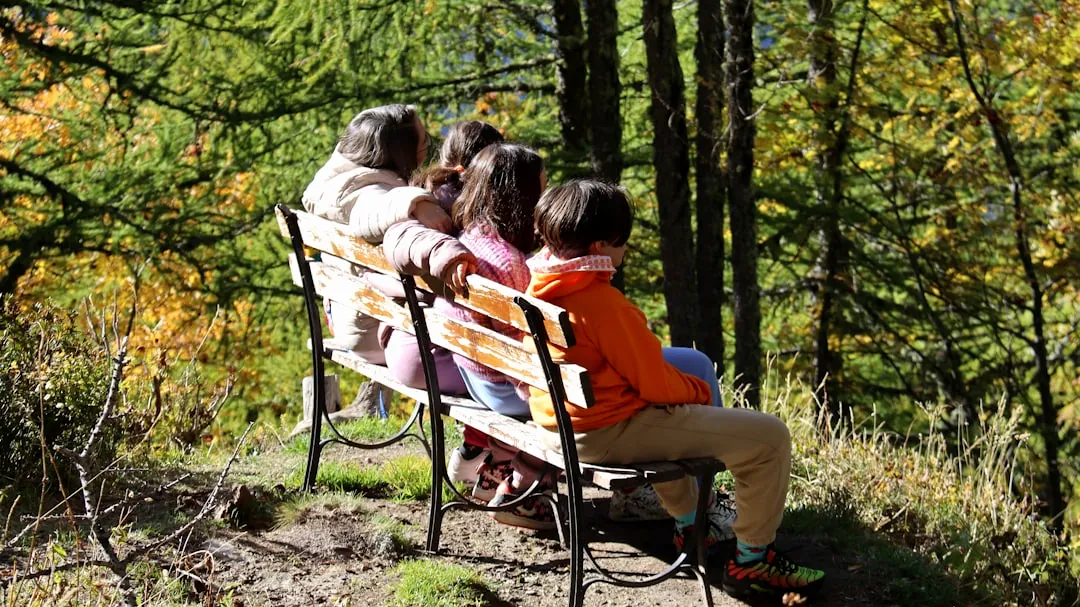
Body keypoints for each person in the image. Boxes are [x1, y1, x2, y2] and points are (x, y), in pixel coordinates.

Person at [527, 179, 826, 598]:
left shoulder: (538, 286)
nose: (623, 252)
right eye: (620, 242)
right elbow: (657, 385)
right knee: (770, 436)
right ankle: (754, 561)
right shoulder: (602, 305)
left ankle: (692, 525)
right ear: (599, 247)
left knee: (670, 421)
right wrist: (700, 392)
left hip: (561, 425)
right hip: (603, 433)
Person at [431, 143, 556, 530]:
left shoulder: (471, 239)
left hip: (477, 377)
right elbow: (529, 363)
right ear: (522, 197)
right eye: (542, 187)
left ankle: (495, 475)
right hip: (506, 390)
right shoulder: (509, 264)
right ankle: (524, 490)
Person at [381, 121, 505, 484]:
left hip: (400, 340)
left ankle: (475, 453)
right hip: (430, 355)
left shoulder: (417, 193)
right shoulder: (461, 205)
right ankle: (486, 463)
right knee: (514, 376)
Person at [301, 104, 464, 363]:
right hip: (374, 331)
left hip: (350, 317)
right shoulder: (364, 192)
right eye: (425, 140)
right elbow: (369, 212)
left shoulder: (334, 179)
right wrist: (417, 203)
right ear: (402, 152)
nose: (428, 145)